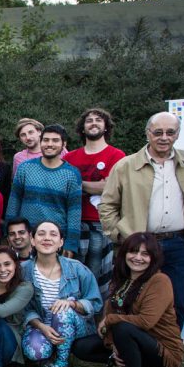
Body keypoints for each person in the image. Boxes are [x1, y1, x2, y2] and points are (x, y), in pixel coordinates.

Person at [99, 112, 184, 330]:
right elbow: (107, 205)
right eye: (158, 132)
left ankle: (168, 352)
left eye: (170, 132)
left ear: (178, 134)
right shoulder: (125, 165)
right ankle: (131, 350)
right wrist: (119, 235)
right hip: (138, 244)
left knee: (178, 300)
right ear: (148, 134)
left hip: (178, 244)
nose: (164, 137)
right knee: (130, 299)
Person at [72, 232, 183, 367]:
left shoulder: (159, 280)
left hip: (161, 350)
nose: (138, 257)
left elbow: (146, 321)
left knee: (123, 327)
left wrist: (110, 320)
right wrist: (113, 346)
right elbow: (109, 317)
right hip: (129, 338)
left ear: (154, 257)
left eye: (145, 254)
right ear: (124, 254)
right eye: (133, 252)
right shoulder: (120, 279)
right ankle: (128, 361)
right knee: (81, 347)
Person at [20, 221, 101, 367]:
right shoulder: (23, 270)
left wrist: (72, 304)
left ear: (61, 242)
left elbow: (95, 302)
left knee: (64, 310)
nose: (47, 238)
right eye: (41, 234)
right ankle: (48, 359)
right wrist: (41, 326)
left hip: (75, 326)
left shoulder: (77, 269)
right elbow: (23, 308)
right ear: (32, 240)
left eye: (53, 234)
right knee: (34, 351)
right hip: (41, 326)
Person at [64, 108, 125, 296]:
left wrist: (77, 183)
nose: (93, 123)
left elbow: (111, 187)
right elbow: (64, 186)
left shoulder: (117, 156)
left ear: (106, 127)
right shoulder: (70, 157)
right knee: (72, 275)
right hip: (73, 223)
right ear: (82, 128)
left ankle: (97, 321)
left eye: (98, 120)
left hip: (102, 223)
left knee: (98, 277)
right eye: (88, 121)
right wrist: (96, 185)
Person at [6, 124, 83, 256]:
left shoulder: (72, 174)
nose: (49, 144)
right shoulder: (25, 168)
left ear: (64, 144)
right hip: (26, 238)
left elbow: (74, 212)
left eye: (55, 140)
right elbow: (14, 202)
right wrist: (8, 233)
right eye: (46, 140)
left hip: (54, 239)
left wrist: (71, 243)